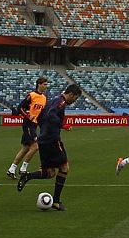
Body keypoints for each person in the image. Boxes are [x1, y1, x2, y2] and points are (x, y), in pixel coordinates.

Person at [17, 82, 83, 211]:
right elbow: (51, 115)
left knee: (50, 172)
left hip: (43, 139)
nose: (74, 101)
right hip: (52, 140)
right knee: (64, 167)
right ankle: (56, 201)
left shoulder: (53, 100)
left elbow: (41, 117)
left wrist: (43, 131)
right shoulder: (61, 102)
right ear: (71, 94)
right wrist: (61, 125)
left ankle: (28, 176)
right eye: (75, 98)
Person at [8, 76, 49, 181]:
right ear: (39, 84)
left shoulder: (44, 98)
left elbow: (41, 114)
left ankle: (11, 169)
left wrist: (43, 127)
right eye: (44, 84)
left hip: (34, 124)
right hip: (28, 124)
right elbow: (20, 107)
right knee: (35, 146)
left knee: (26, 148)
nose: (46, 86)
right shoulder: (31, 95)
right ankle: (23, 169)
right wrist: (27, 116)